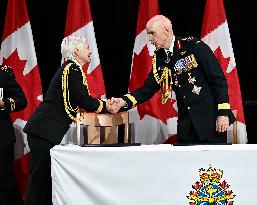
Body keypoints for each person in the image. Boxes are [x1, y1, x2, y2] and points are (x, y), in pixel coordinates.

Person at [109, 15, 235, 144]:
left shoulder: (193, 46)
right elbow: (148, 89)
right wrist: (123, 101)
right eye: (148, 34)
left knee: (211, 163)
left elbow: (218, 80)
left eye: (152, 33)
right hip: (186, 124)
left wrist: (223, 113)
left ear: (166, 29)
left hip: (211, 120)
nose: (150, 39)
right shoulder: (159, 59)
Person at [23, 36, 110, 205]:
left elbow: (79, 101)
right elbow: (84, 100)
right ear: (76, 51)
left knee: (45, 182)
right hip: (43, 132)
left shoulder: (70, 69)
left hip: (44, 132)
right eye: (86, 47)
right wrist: (108, 106)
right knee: (38, 183)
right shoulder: (72, 70)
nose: (90, 50)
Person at [0, 64, 27, 205]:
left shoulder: (3, 74)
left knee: (3, 181)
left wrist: (3, 103)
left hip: (1, 138)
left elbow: (21, 100)